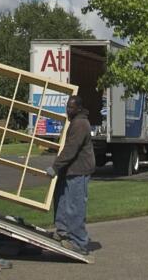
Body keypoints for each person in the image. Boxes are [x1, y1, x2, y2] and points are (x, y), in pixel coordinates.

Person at [45, 94, 93, 256]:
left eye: (71, 107)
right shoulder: (75, 122)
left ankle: (79, 242)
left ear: (78, 108)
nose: (68, 110)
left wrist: (55, 167)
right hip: (70, 170)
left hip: (79, 171)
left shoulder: (80, 123)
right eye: (67, 106)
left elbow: (71, 149)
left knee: (75, 206)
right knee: (62, 200)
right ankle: (64, 232)